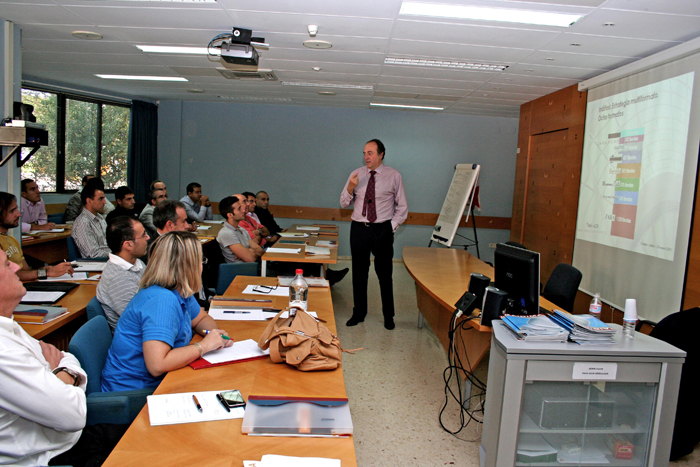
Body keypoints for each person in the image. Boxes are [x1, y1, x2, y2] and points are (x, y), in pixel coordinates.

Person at [0, 249, 128, 467]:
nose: (17, 268)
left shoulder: (9, 325)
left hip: (75, 440)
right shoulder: (4, 351)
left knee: (164, 438)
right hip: (53, 457)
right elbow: (73, 415)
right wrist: (62, 374)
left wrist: (59, 375)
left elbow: (63, 356)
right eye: (5, 265)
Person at [101, 231, 233, 391]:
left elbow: (200, 319)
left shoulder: (179, 290)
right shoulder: (162, 300)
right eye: (200, 261)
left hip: (162, 380)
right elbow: (157, 364)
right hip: (136, 392)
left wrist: (214, 334)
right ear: (187, 266)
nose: (201, 266)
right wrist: (204, 346)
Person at [340, 139, 408, 330]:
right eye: (364, 153)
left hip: (382, 230)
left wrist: (390, 227)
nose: (366, 157)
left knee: (385, 275)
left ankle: (389, 316)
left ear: (381, 154)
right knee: (359, 274)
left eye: (370, 153)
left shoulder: (394, 175)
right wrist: (350, 187)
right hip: (359, 229)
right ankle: (358, 313)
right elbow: (344, 203)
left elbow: (402, 207)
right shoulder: (356, 174)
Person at [0, 192, 74, 280]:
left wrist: (50, 269)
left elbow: (25, 272)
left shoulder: (12, 240)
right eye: (12, 211)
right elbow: (9, 275)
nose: (18, 214)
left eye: (17, 209)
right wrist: (46, 272)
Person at [96, 217, 149, 332]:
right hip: (137, 341)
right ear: (128, 245)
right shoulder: (118, 279)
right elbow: (143, 319)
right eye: (143, 235)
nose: (148, 237)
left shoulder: (136, 263)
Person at [217, 195, 263, 263]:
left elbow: (261, 251)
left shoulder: (242, 229)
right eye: (239, 209)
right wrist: (249, 251)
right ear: (230, 215)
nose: (243, 210)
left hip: (251, 268)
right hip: (239, 270)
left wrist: (250, 251)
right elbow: (251, 259)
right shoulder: (227, 233)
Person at [71, 181, 111, 258]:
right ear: (89, 201)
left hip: (109, 257)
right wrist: (118, 254)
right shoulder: (83, 223)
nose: (104, 202)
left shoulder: (100, 218)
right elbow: (94, 254)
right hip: (98, 262)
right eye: (101, 199)